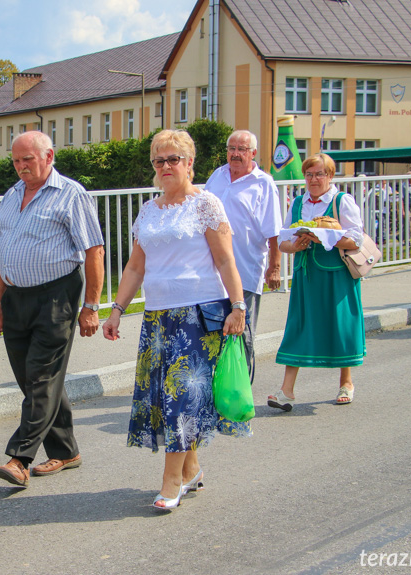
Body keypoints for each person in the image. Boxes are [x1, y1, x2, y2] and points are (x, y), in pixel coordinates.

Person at [102, 129, 250, 510]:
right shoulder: (149, 210)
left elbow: (225, 260)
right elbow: (135, 267)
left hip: (199, 315)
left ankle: (172, 482)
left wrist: (239, 306)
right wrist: (117, 309)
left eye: (173, 159)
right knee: (170, 397)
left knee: (182, 397)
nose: (165, 166)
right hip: (158, 318)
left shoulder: (206, 204)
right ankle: (191, 469)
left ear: (189, 163)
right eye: (159, 160)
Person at [0, 131, 104, 488]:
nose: (22, 167)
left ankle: (20, 458)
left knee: (41, 378)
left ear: (49, 156)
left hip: (56, 296)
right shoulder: (10, 196)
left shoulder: (71, 194)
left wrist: (91, 307)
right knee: (33, 380)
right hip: (15, 298)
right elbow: (3, 251)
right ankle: (66, 450)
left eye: (28, 160)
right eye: (16, 161)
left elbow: (94, 250)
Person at [269, 153, 366, 409]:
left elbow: (356, 239)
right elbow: (283, 241)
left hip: (336, 274)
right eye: (309, 174)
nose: (313, 179)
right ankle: (286, 391)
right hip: (307, 274)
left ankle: (346, 382)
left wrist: (325, 237)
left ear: (330, 176)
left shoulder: (341, 201)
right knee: (299, 326)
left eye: (319, 174)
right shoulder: (298, 202)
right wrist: (297, 245)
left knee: (340, 325)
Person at [204, 129, 282, 378]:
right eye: (231, 149)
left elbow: (274, 231)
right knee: (212, 332)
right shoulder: (217, 175)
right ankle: (216, 390)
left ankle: (241, 392)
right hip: (212, 271)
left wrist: (275, 267)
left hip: (245, 270)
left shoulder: (263, 183)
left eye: (242, 149)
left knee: (242, 332)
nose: (235, 154)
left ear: (253, 153)